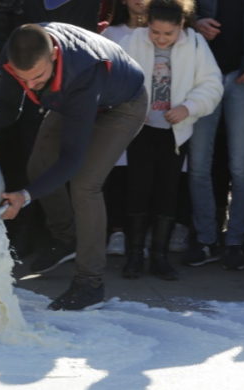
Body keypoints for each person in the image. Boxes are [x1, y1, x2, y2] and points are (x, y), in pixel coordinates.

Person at [0, 22, 148, 310]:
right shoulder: (16, 51)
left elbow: (71, 159)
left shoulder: (83, 71)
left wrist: (25, 196)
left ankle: (90, 282)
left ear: (54, 54)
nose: (31, 86)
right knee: (39, 167)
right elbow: (8, 112)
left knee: (85, 185)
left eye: (38, 77)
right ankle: (68, 238)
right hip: (74, 98)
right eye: (24, 79)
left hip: (123, 104)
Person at [118, 0, 223, 280]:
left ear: (181, 26)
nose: (161, 39)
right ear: (147, 25)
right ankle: (134, 255)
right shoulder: (133, 41)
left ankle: (159, 257)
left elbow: (211, 85)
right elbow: (117, 79)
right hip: (141, 130)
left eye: (168, 34)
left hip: (175, 132)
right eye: (155, 32)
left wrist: (189, 107)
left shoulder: (197, 44)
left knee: (167, 191)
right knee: (137, 189)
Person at [184, 0, 244, 271]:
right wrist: (194, 23)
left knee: (242, 165)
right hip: (203, 78)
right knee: (198, 165)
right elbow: (176, 10)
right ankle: (205, 239)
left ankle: (235, 240)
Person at [99, 0, 146, 257]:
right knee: (116, 173)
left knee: (146, 179)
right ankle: (117, 230)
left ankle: (142, 234)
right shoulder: (110, 35)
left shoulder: (165, 31)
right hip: (118, 115)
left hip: (157, 119)